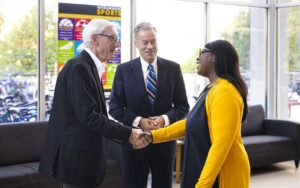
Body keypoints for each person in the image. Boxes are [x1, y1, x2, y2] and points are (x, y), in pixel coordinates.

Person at [38, 19, 148, 188]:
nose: (117, 45)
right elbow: (89, 117)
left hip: (85, 160)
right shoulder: (78, 68)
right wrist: (129, 133)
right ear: (95, 39)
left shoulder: (88, 67)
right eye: (113, 39)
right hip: (78, 162)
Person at [141, 40, 250, 188]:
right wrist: (153, 136)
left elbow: (221, 145)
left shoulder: (226, 92)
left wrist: (203, 184)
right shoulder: (211, 89)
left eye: (202, 52)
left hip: (220, 175)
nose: (198, 58)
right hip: (202, 167)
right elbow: (190, 123)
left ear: (215, 57)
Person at [108, 22, 189, 188]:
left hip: (164, 143)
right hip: (134, 143)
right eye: (145, 42)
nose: (150, 46)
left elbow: (182, 106)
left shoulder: (173, 69)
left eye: (153, 41)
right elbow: (115, 108)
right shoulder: (123, 70)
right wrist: (139, 121)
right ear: (136, 44)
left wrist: (164, 119)